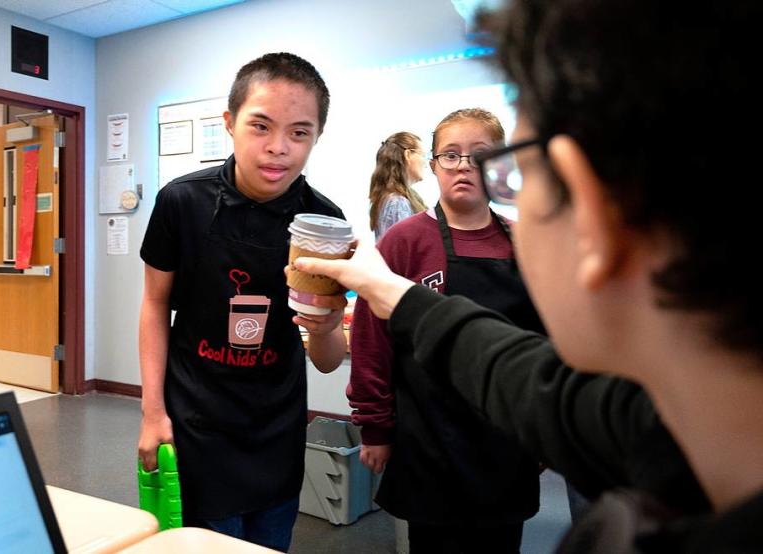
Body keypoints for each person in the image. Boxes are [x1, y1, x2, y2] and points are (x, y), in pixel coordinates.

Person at [294, 0, 760, 550]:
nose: (469, 172)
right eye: (451, 157)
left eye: (514, 173)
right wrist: (393, 297)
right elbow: (513, 369)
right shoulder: (666, 429)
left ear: (588, 211)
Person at [137, 52, 347, 551]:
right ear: (229, 124)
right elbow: (153, 305)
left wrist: (322, 326)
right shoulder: (181, 202)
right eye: (261, 126)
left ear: (317, 137)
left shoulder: (324, 223)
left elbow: (327, 358)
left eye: (300, 133)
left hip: (277, 426)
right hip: (196, 422)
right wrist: (151, 413)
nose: (278, 149)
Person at [351, 109, 542, 553]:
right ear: (433, 165)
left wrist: (544, 432)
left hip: (505, 441)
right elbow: (371, 340)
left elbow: (545, 345)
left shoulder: (526, 243)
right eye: (451, 155)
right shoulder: (403, 242)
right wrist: (375, 429)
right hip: (427, 439)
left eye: (480, 156)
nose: (463, 166)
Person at [368, 132, 428, 241]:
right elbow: (404, 251)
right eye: (423, 155)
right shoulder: (397, 203)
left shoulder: (390, 199)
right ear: (408, 155)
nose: (426, 163)